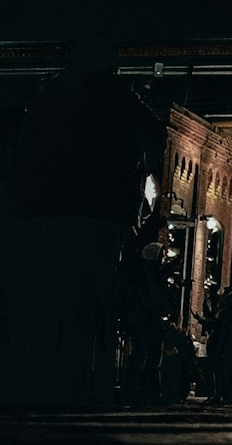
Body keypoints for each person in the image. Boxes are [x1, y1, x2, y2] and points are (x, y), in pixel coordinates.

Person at [0, 34, 163, 406]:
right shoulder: (118, 94)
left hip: (44, 211)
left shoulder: (49, 93)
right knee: (89, 299)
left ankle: (42, 378)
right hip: (101, 212)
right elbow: (155, 136)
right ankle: (78, 378)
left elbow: (23, 153)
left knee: (48, 296)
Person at [121, 237, 173, 405]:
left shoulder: (146, 274)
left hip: (145, 320)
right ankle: (145, 392)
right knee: (147, 356)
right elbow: (153, 296)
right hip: (147, 321)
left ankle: (138, 391)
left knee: (144, 356)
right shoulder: (150, 275)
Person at [159, 320, 197, 405]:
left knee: (173, 377)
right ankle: (172, 395)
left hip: (177, 359)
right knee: (173, 377)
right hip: (175, 359)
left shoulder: (178, 334)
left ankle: (172, 395)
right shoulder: (177, 334)